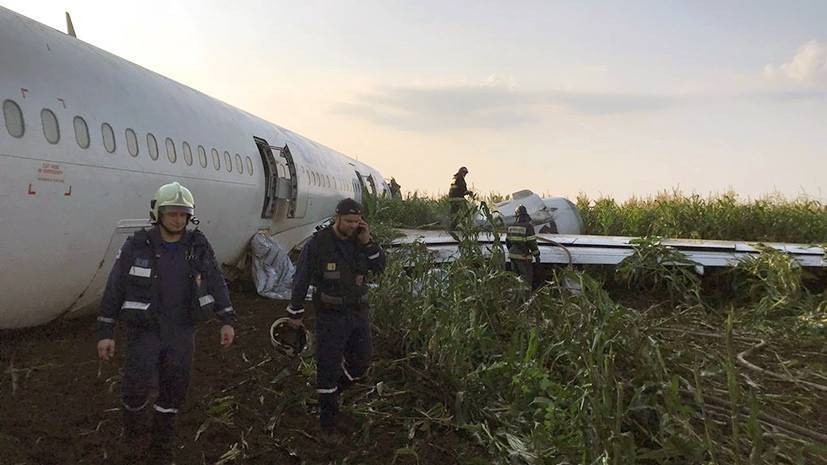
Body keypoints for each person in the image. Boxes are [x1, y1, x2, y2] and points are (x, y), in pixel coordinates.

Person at [96, 181, 236, 463]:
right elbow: (115, 286)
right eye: (172, 213)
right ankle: (133, 436)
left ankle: (161, 446)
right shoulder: (138, 244)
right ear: (158, 213)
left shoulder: (197, 244)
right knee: (136, 387)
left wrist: (227, 319)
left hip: (181, 331)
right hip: (144, 330)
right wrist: (106, 331)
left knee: (174, 388)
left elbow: (216, 280)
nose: (177, 219)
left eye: (183, 214)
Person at [286, 198, 385, 445]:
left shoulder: (361, 241)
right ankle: (327, 425)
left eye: (357, 221)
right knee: (327, 367)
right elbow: (301, 278)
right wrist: (295, 312)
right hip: (330, 316)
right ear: (337, 218)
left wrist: (368, 241)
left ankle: (331, 394)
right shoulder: (319, 244)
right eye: (349, 221)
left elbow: (380, 266)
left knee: (361, 364)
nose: (353, 226)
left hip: (358, 314)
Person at [506, 205, 540, 288]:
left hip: (512, 256)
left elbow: (508, 242)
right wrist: (537, 255)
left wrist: (512, 251)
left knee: (515, 279)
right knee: (526, 279)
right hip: (523, 257)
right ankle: (525, 298)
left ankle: (515, 298)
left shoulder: (511, 227)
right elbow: (532, 243)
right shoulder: (528, 227)